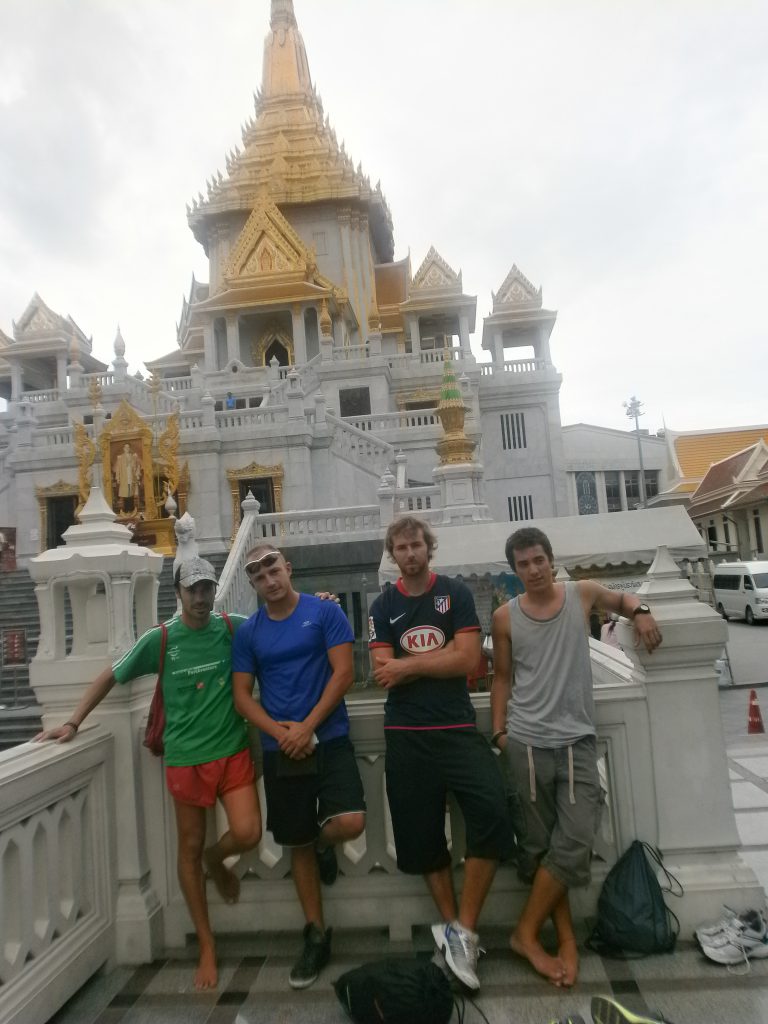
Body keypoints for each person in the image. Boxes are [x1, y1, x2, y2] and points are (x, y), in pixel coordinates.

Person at [35, 556, 262, 991]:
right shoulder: (161, 640)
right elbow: (112, 676)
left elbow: (275, 625)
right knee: (189, 846)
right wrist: (74, 722)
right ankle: (207, 944)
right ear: (177, 593)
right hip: (185, 757)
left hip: (232, 751)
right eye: (192, 589)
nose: (200, 597)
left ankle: (219, 859)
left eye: (206, 589)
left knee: (248, 832)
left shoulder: (233, 627)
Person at [490, 527, 662, 988]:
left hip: (577, 740)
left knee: (576, 836)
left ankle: (525, 933)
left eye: (539, 560)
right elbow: (502, 677)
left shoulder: (580, 594)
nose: (533, 570)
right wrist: (500, 732)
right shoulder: (504, 617)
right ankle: (563, 938)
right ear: (515, 571)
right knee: (540, 845)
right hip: (526, 742)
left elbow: (622, 601)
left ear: (551, 559)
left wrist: (642, 611)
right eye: (523, 564)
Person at [368, 516, 514, 991]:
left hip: (456, 728)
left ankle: (464, 930)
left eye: (417, 545)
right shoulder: (383, 605)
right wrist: (439, 658)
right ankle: (454, 932)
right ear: (393, 555)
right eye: (401, 547)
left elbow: (469, 660)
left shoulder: (454, 593)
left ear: (429, 549)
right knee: (420, 836)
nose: (410, 553)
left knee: (492, 811)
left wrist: (410, 666)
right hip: (406, 733)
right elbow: (381, 670)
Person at [231, 544, 366, 990]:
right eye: (258, 576)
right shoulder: (249, 632)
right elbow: (242, 696)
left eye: (273, 569)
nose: (269, 580)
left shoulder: (325, 613)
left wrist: (306, 727)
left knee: (349, 822)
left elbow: (343, 674)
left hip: (327, 737)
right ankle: (316, 933)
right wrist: (281, 732)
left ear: (288, 569)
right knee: (297, 841)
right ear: (252, 584)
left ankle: (326, 844)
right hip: (280, 747)